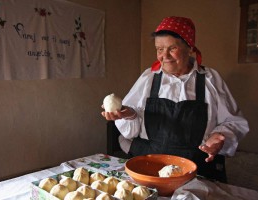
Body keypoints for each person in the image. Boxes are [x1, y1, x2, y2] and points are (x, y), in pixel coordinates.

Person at [101, 16, 249, 182]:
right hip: (149, 168)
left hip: (197, 171)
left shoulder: (210, 79)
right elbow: (132, 128)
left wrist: (219, 135)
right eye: (159, 49)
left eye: (172, 48)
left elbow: (235, 122)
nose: (165, 56)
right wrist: (129, 115)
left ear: (189, 48)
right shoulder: (149, 78)